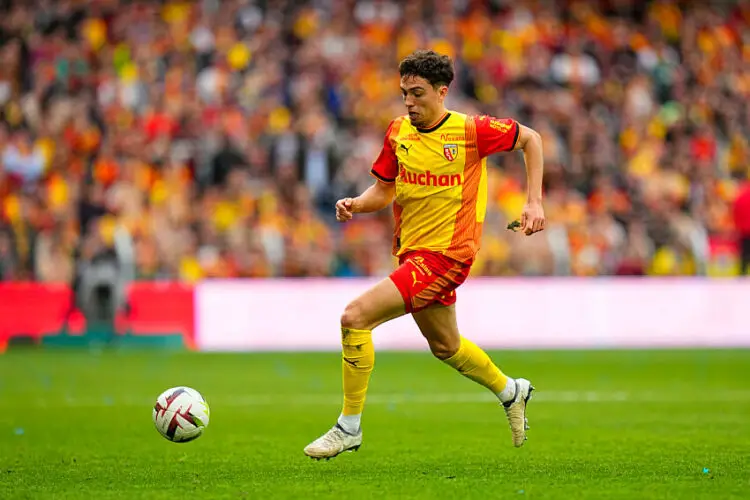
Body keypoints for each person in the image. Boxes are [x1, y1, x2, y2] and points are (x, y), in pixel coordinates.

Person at [304, 50, 546, 459]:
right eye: (404, 94)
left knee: (354, 317)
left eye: (417, 94)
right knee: (446, 346)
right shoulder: (398, 131)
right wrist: (356, 205)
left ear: (442, 91)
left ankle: (349, 427)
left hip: (447, 256)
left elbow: (531, 139)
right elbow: (383, 189)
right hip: (413, 255)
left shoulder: (471, 131)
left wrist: (534, 202)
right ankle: (512, 391)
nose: (409, 102)